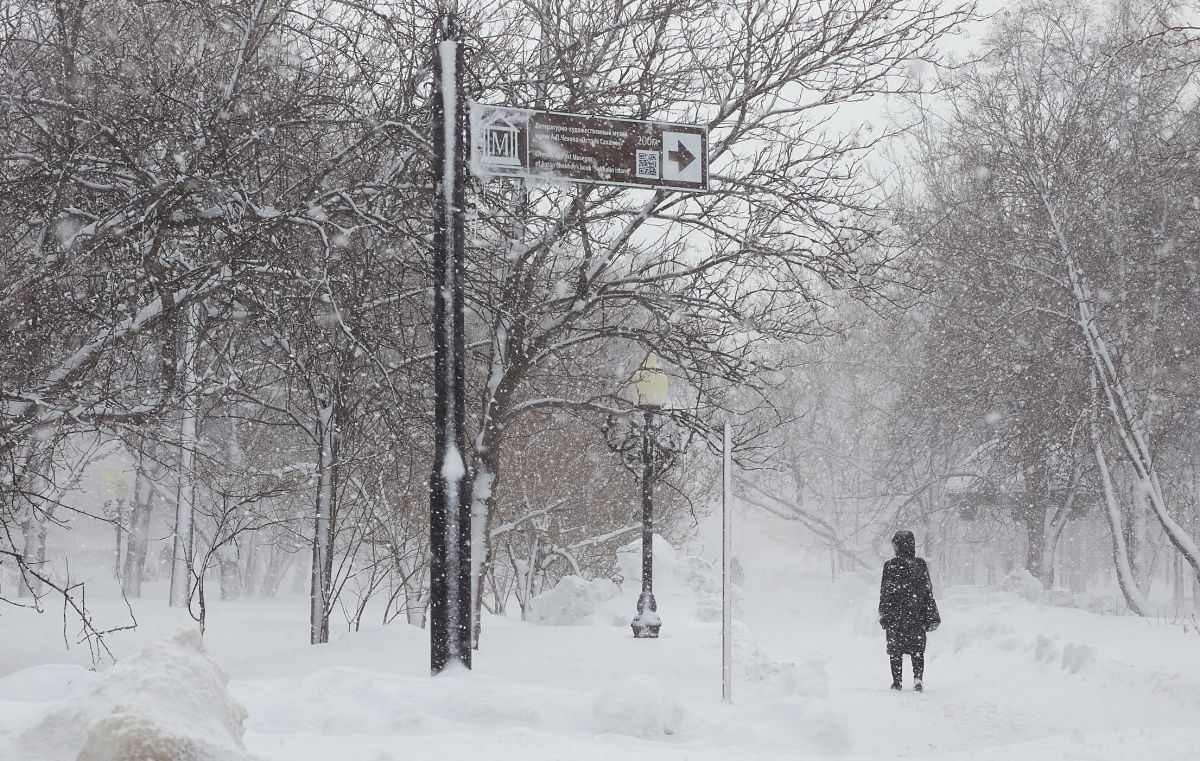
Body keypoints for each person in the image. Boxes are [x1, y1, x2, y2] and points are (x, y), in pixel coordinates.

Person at [878, 530, 940, 692]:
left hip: (895, 614)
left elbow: (885, 592)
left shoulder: (890, 566)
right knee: (917, 649)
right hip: (916, 613)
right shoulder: (920, 564)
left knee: (895, 650)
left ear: (897, 546)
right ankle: (917, 678)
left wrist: (884, 613)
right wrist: (930, 613)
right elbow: (928, 591)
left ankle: (897, 682)